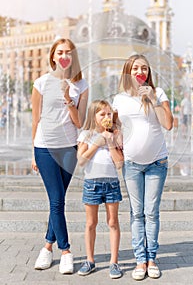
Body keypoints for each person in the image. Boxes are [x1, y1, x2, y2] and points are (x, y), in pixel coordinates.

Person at [112, 54, 173, 281]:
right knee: (136, 213)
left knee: (151, 212)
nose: (141, 72)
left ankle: (152, 259)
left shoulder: (158, 94)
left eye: (145, 68)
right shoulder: (119, 99)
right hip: (132, 165)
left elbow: (168, 124)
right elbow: (114, 128)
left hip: (158, 162)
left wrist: (153, 100)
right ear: (128, 71)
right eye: (136, 68)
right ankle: (140, 259)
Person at [31, 38, 88, 274]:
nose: (64, 56)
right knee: (56, 200)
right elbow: (35, 119)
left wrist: (68, 97)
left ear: (73, 57)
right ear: (53, 56)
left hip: (69, 149)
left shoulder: (81, 85)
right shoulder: (41, 83)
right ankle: (65, 251)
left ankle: (46, 247)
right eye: (60, 52)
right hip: (44, 147)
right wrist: (32, 153)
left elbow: (80, 122)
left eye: (69, 52)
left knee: (58, 200)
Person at [77, 100, 124, 279]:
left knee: (112, 222)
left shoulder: (116, 135)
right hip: (92, 183)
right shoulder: (86, 135)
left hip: (111, 183)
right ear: (94, 116)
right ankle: (90, 260)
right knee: (91, 223)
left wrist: (110, 141)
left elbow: (119, 164)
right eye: (102, 114)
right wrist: (97, 143)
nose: (106, 117)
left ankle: (114, 262)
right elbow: (81, 161)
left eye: (109, 114)